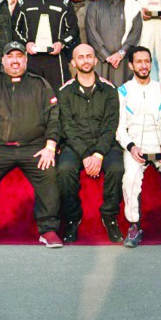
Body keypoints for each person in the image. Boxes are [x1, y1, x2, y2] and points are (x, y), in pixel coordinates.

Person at [0, 42, 63, 248]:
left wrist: (50, 146)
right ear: (3, 60)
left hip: (33, 147)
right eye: (10, 56)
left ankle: (48, 229)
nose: (15, 60)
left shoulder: (40, 84)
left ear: (26, 59)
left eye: (19, 56)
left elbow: (54, 117)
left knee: (49, 172)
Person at [115, 46, 161, 248]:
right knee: (130, 177)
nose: (144, 65)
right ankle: (134, 226)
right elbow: (120, 128)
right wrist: (131, 147)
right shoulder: (123, 91)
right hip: (135, 144)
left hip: (160, 144)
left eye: (147, 61)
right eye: (139, 62)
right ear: (131, 65)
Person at [56, 44, 123, 244]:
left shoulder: (110, 89)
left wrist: (99, 154)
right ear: (74, 63)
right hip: (75, 145)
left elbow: (111, 125)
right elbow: (67, 127)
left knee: (117, 168)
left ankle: (109, 216)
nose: (85, 60)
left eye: (89, 56)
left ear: (95, 60)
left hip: (105, 144)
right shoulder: (65, 91)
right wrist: (86, 155)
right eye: (80, 57)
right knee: (65, 169)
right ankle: (72, 218)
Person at [13, 0, 80, 88]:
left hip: (56, 58)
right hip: (31, 58)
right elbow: (14, 29)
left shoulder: (64, 3)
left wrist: (62, 43)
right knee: (30, 94)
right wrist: (26, 43)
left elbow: (73, 30)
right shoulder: (23, 3)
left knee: (59, 94)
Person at [85, 0, 143, 87]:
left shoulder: (132, 7)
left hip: (124, 60)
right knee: (100, 93)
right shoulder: (94, 6)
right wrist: (107, 56)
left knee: (123, 94)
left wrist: (120, 54)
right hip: (101, 60)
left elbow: (135, 33)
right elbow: (92, 33)